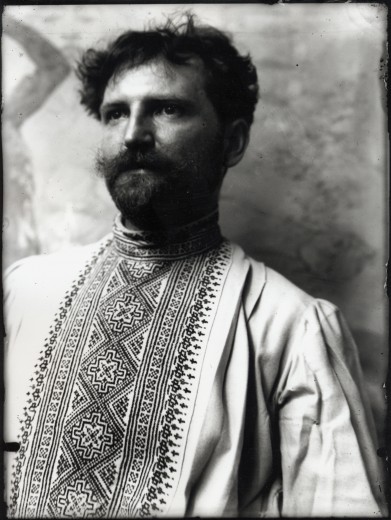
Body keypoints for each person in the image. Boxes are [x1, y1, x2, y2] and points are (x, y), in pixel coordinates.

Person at [4, 15, 387, 518]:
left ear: (232, 142)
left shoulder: (292, 328)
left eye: (166, 108)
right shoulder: (24, 291)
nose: (134, 134)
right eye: (115, 113)